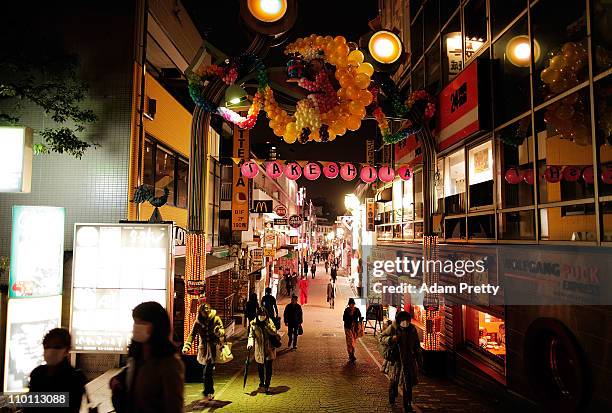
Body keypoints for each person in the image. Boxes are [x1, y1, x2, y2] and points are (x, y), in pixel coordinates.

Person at [111, 301, 184, 413]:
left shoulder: (170, 363)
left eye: (142, 323)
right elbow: (130, 375)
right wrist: (117, 380)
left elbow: (174, 406)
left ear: (157, 326)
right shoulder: (136, 354)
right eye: (135, 322)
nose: (136, 327)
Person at [28, 328, 86, 413]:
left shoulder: (74, 377)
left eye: (57, 347)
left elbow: (70, 405)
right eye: (47, 347)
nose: (51, 351)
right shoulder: (37, 373)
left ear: (67, 350)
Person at [380, 311, 422, 412]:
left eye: (407, 320)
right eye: (403, 320)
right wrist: (391, 339)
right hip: (396, 360)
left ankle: (407, 405)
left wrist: (419, 359)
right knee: (394, 379)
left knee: (408, 383)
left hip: (408, 360)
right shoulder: (393, 328)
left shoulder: (412, 329)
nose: (405, 322)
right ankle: (392, 394)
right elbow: (381, 338)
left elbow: (416, 345)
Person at [182, 302, 225, 400]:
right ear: (200, 312)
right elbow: (192, 335)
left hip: (213, 348)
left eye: (207, 309)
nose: (206, 311)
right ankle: (209, 391)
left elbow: (223, 331)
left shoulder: (216, 319)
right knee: (206, 372)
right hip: (203, 349)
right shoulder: (198, 322)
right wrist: (186, 347)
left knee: (207, 371)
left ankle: (208, 392)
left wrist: (218, 331)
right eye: (204, 309)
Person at [247, 307, 278, 394]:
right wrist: (250, 344)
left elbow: (274, 332)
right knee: (260, 367)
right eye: (260, 315)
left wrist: (267, 326)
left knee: (268, 367)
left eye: (264, 315)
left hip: (269, 348)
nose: (262, 316)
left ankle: (267, 385)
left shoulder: (269, 321)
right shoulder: (253, 324)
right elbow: (251, 335)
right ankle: (261, 381)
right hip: (259, 348)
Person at [342, 298, 362, 362]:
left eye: (353, 304)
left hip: (354, 328)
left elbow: (360, 317)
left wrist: (360, 323)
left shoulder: (357, 310)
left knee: (353, 341)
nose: (352, 305)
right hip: (348, 328)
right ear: (349, 304)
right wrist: (350, 319)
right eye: (350, 304)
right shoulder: (346, 310)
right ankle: (350, 354)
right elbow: (344, 319)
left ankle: (352, 354)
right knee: (349, 341)